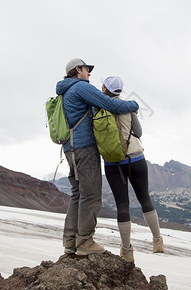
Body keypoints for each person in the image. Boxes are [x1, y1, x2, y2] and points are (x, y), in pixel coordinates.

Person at [56, 58, 139, 256]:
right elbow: (111, 105)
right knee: (91, 195)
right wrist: (134, 104)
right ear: (78, 70)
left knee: (77, 194)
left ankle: (70, 241)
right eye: (87, 69)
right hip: (84, 148)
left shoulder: (65, 90)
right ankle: (85, 241)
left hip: (71, 149)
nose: (89, 73)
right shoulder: (81, 87)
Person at [101, 75, 164, 263]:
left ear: (105, 88)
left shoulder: (98, 108)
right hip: (136, 158)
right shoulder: (128, 107)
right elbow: (138, 132)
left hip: (113, 163)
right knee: (145, 198)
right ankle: (157, 241)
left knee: (122, 205)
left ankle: (127, 251)